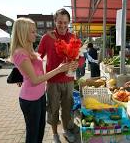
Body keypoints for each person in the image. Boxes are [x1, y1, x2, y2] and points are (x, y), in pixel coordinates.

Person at [9, 17, 77, 143]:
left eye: (35, 31)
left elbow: (32, 64)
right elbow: (34, 79)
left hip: (39, 96)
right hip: (31, 98)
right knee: (33, 133)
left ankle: (65, 131)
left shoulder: (28, 49)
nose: (36, 34)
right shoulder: (20, 52)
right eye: (33, 32)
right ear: (23, 33)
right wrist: (58, 69)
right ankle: (55, 134)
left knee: (39, 130)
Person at [38, 8, 84, 143]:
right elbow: (38, 58)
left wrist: (78, 63)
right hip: (52, 81)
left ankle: (66, 130)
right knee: (53, 109)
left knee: (67, 108)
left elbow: (81, 57)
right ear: (55, 22)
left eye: (65, 22)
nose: (62, 25)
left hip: (69, 80)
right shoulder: (47, 38)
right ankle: (54, 134)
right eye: (59, 22)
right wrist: (29, 75)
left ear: (69, 22)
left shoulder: (73, 37)